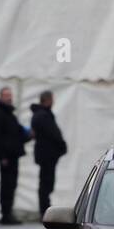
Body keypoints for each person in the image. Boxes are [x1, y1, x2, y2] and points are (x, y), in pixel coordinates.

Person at [0, 87, 29, 225]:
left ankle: (8, 212)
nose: (9, 98)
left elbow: (17, 133)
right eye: (6, 95)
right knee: (6, 185)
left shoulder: (9, 114)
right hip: (6, 156)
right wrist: (2, 156)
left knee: (11, 185)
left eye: (10, 95)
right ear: (1, 96)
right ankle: (5, 214)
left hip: (13, 155)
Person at [30, 90, 67, 218]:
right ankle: (44, 208)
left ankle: (44, 207)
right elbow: (53, 133)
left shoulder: (40, 115)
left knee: (46, 182)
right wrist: (61, 145)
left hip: (45, 153)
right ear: (48, 100)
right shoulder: (43, 115)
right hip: (47, 154)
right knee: (46, 182)